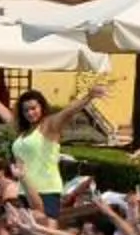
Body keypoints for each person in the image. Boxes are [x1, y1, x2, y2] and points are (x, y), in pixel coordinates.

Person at [8, 80, 102, 219]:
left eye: (33, 108)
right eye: (25, 110)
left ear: (42, 107)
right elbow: (7, 116)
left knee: (40, 229)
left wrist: (89, 97)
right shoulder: (24, 131)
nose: (30, 113)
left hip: (46, 190)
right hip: (25, 189)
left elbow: (67, 112)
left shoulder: (49, 125)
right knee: (25, 233)